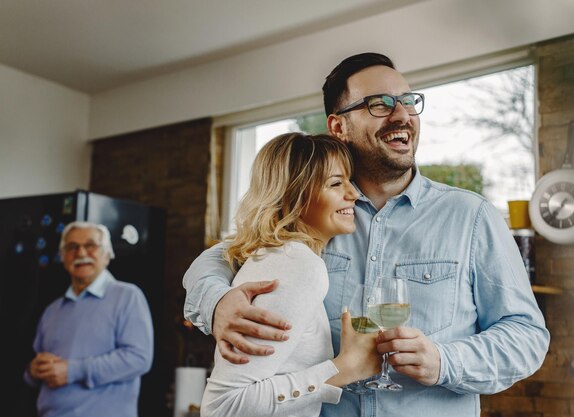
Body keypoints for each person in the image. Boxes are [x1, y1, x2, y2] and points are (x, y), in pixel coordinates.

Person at [183, 53, 550, 417]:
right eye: (380, 104)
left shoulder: (471, 216)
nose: (403, 115)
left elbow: (527, 336)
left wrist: (444, 361)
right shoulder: (312, 215)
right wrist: (216, 302)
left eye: (408, 101)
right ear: (338, 127)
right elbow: (219, 258)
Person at [200, 133, 380, 417]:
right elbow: (224, 406)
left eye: (349, 181)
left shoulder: (280, 257)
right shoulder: (297, 263)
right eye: (336, 183)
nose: (354, 194)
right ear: (294, 196)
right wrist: (343, 369)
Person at [24, 221, 153, 417]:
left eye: (90, 245)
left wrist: (72, 370)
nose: (81, 253)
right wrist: (32, 371)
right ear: (63, 257)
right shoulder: (52, 310)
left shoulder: (127, 296)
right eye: (72, 247)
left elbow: (139, 359)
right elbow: (36, 370)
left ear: (107, 255)